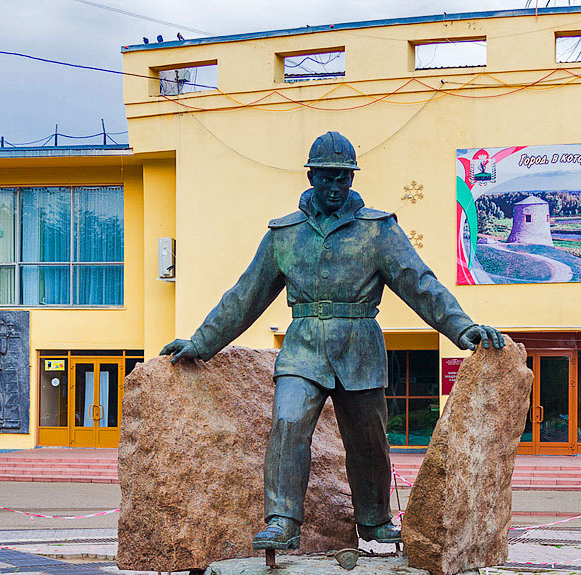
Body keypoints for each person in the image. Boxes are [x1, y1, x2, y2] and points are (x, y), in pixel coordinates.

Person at [161, 131, 505, 551]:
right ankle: (282, 520)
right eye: (328, 177)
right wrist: (201, 342)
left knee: (369, 440)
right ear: (311, 177)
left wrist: (462, 328)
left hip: (359, 344)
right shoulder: (284, 234)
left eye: (344, 177)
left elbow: (421, 284)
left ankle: (375, 520)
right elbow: (245, 295)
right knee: (287, 423)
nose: (336, 186)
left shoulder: (377, 230)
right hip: (303, 345)